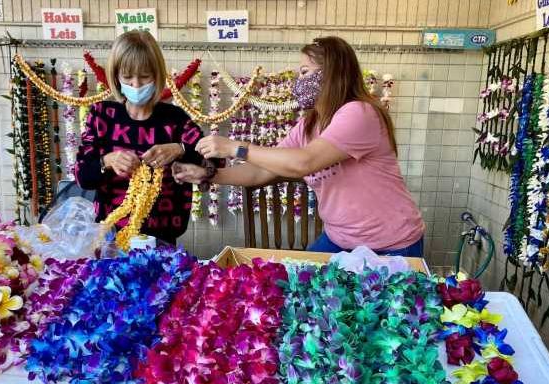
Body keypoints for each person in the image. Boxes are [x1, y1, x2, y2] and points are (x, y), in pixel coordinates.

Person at [173, 36, 425, 256]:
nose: (298, 80)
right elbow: (261, 171)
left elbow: (304, 163)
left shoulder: (359, 112)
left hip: (390, 245)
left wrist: (235, 147)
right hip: (339, 240)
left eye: (305, 72)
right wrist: (210, 174)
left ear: (331, 74)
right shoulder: (308, 125)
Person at [75, 30, 205, 245]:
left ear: (157, 75)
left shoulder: (175, 119)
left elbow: (211, 159)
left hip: (162, 236)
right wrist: (107, 161)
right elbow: (82, 176)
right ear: (116, 76)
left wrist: (181, 148)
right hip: (109, 237)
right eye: (128, 77)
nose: (136, 85)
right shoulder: (102, 116)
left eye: (145, 76)